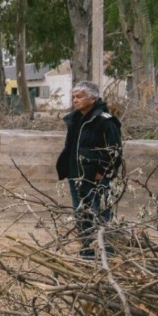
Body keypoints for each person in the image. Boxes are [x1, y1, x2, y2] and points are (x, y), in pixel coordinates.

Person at [55, 81, 122, 256]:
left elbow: (114, 150)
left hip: (95, 176)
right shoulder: (75, 119)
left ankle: (105, 249)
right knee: (81, 212)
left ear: (92, 98)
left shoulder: (105, 121)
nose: (75, 100)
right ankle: (87, 248)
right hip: (76, 175)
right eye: (74, 97)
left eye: (79, 97)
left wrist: (103, 172)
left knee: (100, 211)